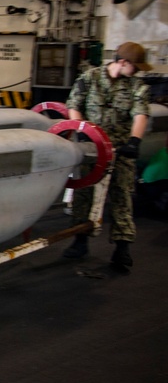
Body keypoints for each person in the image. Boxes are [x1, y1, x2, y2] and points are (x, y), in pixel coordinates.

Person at [63, 41, 150, 270]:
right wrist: (81, 130)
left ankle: (122, 249)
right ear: (122, 62)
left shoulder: (137, 85)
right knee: (84, 195)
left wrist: (134, 141)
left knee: (122, 195)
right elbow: (74, 105)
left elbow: (140, 114)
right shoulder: (89, 79)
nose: (138, 70)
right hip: (91, 148)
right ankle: (79, 240)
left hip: (120, 149)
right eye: (135, 66)